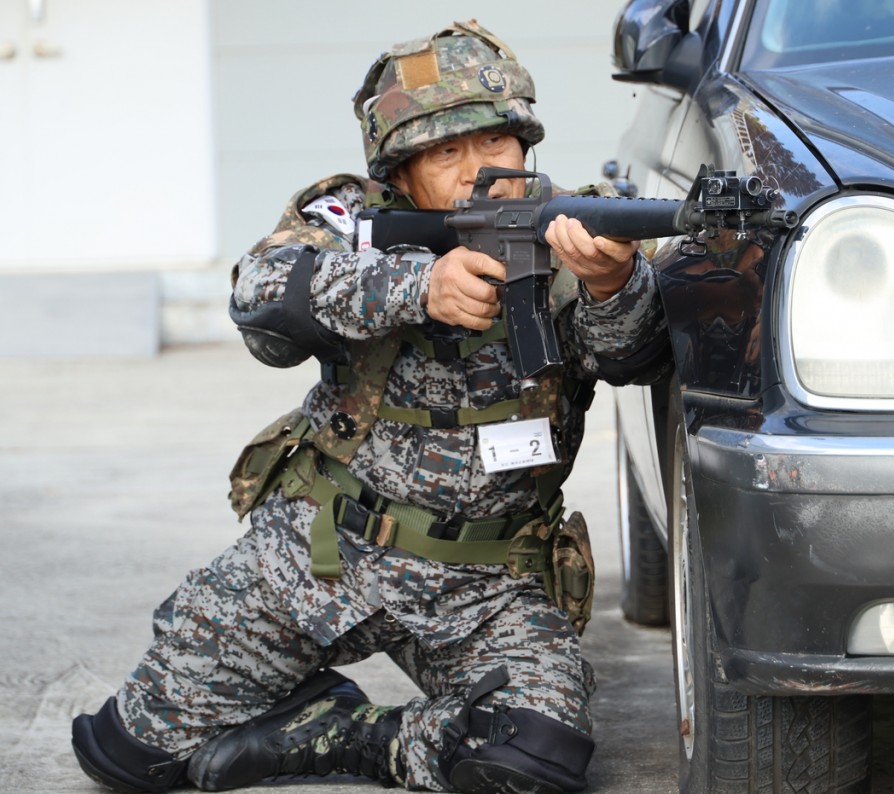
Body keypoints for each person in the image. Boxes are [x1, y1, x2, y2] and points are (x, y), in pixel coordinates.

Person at [71, 19, 669, 794]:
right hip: (319, 552)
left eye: (493, 143)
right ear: (398, 173)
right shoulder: (349, 218)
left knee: (534, 761)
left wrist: (611, 286)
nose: (474, 171)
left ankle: (348, 738)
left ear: (525, 143)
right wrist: (416, 287)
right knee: (126, 755)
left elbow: (634, 358)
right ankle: (309, 718)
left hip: (487, 580)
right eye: (444, 153)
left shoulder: (576, 226)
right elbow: (260, 299)